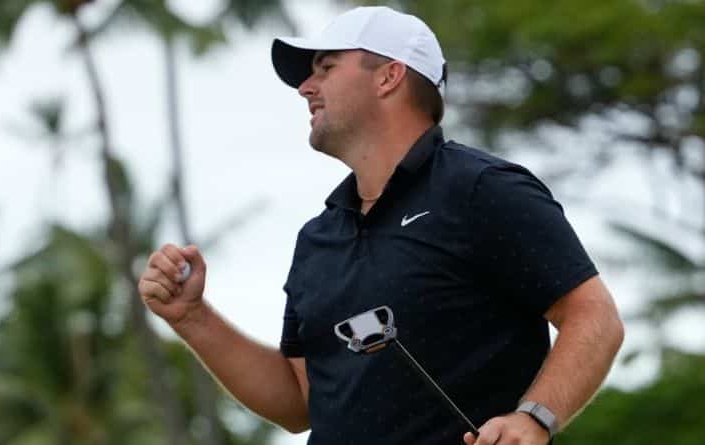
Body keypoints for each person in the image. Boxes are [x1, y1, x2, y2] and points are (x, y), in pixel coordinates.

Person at [137, 6, 624, 445]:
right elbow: (299, 402)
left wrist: (534, 418)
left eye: (326, 68)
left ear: (389, 76)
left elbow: (594, 316)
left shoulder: (481, 189)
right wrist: (192, 317)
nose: (306, 87)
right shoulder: (318, 238)